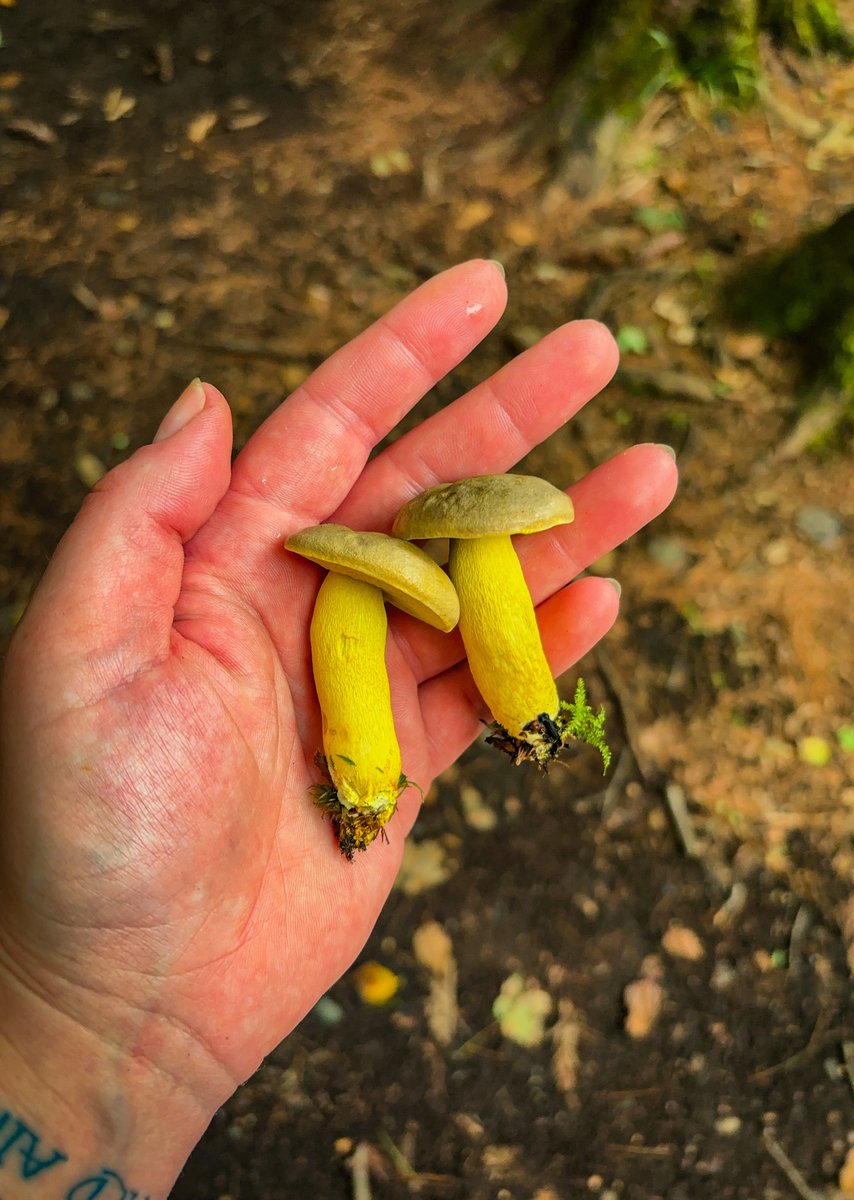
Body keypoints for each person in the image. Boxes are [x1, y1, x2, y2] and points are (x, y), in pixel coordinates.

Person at [0, 260, 677, 1197]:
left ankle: (508, 729)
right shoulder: (352, 582)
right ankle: (397, 777)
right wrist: (79, 1010)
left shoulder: (436, 576)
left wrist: (67, 1029)